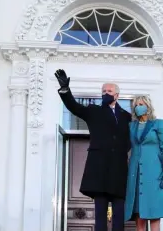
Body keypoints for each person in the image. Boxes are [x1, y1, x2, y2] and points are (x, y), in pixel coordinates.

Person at [54, 69, 131, 231]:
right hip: (99, 169)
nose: (105, 93)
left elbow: (131, 140)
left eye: (109, 91)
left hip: (119, 171)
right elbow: (74, 107)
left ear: (117, 95)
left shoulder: (127, 116)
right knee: (100, 218)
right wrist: (65, 90)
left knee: (119, 217)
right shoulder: (93, 111)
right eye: (103, 91)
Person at [124, 95, 163, 231]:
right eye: (137, 105)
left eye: (142, 104)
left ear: (148, 106)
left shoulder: (158, 123)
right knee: (139, 214)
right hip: (136, 173)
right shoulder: (131, 126)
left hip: (154, 172)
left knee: (155, 213)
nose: (139, 107)